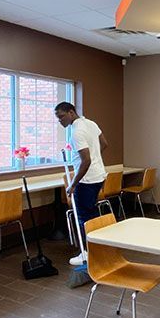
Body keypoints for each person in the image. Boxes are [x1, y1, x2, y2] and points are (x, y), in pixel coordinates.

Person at [55, 102, 108, 266]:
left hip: (86, 180)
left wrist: (72, 185)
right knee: (91, 215)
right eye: (57, 118)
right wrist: (95, 157)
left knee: (84, 218)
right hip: (99, 176)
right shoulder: (91, 124)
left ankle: (86, 253)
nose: (60, 121)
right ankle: (97, 249)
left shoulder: (76, 132)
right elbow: (104, 144)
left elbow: (85, 161)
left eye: (61, 116)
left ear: (71, 112)